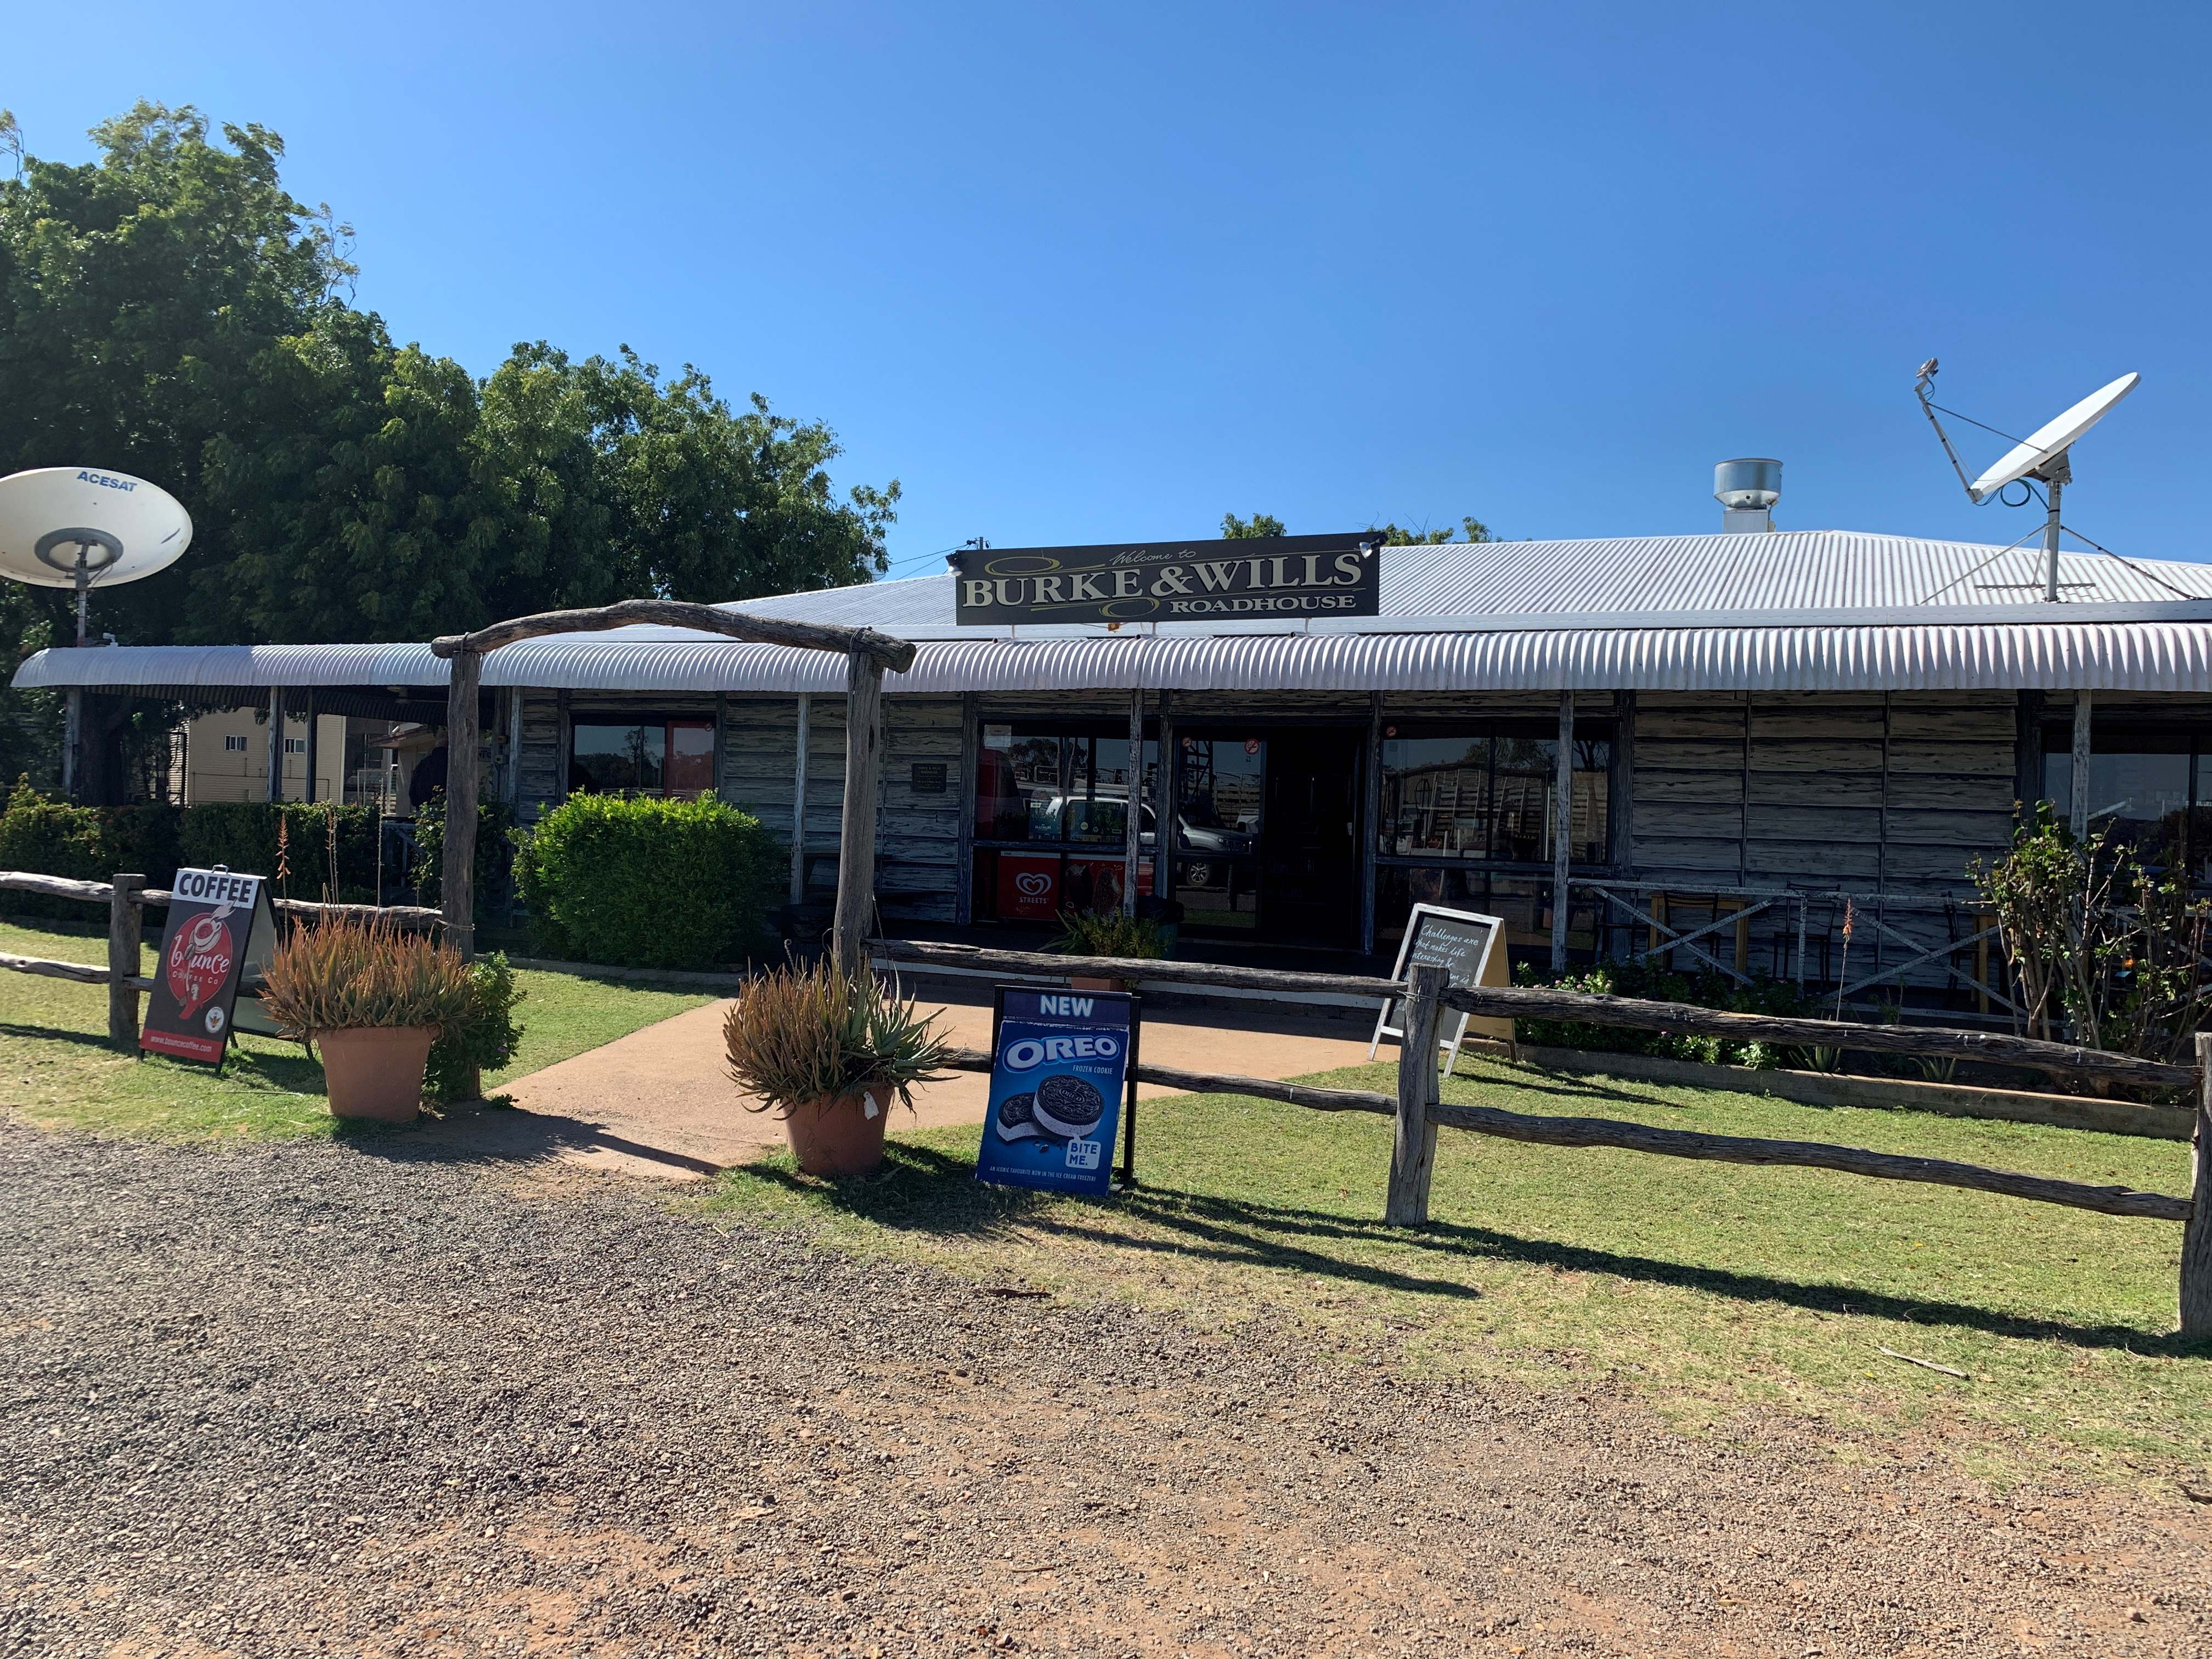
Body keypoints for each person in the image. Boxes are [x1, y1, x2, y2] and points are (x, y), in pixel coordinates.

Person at [407, 745, 448, 811]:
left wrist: (416, 802)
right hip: (442, 805)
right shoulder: (449, 763)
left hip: (422, 804)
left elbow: (413, 785)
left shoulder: (423, 764)